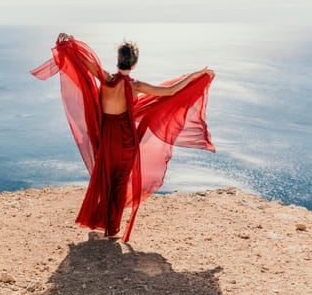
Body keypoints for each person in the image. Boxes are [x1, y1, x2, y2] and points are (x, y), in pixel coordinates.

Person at [31, 33, 215, 242]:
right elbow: (169, 91)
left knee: (106, 178)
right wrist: (194, 75)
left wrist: (68, 44)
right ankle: (112, 228)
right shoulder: (135, 86)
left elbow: (83, 60)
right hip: (126, 138)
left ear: (118, 60)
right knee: (119, 182)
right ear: (134, 64)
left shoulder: (106, 78)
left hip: (107, 136)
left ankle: (101, 221)